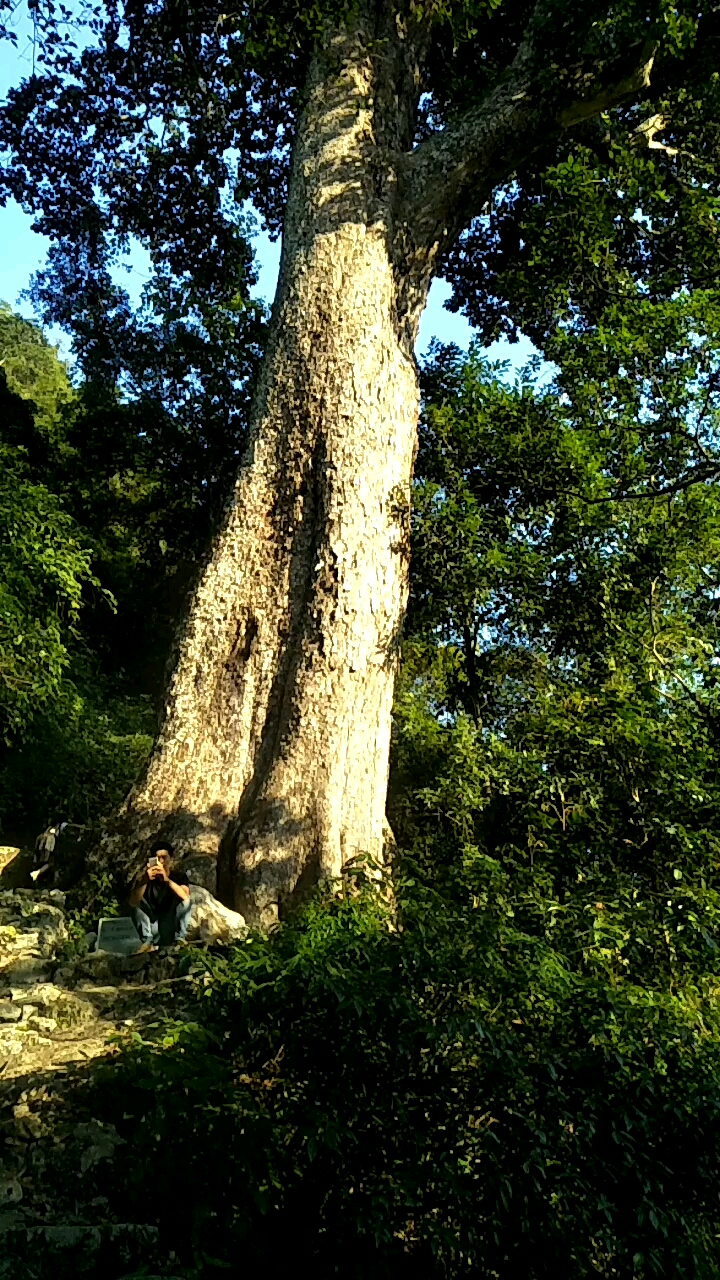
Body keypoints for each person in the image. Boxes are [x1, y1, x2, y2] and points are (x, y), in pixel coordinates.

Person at [129, 840, 192, 949]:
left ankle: (180, 939)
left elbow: (185, 896)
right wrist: (144, 880)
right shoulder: (145, 881)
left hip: (171, 923)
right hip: (154, 925)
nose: (161, 862)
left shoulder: (178, 877)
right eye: (157, 858)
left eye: (164, 858)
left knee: (186, 901)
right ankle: (147, 943)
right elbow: (133, 903)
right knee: (137, 903)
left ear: (171, 860)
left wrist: (166, 880)